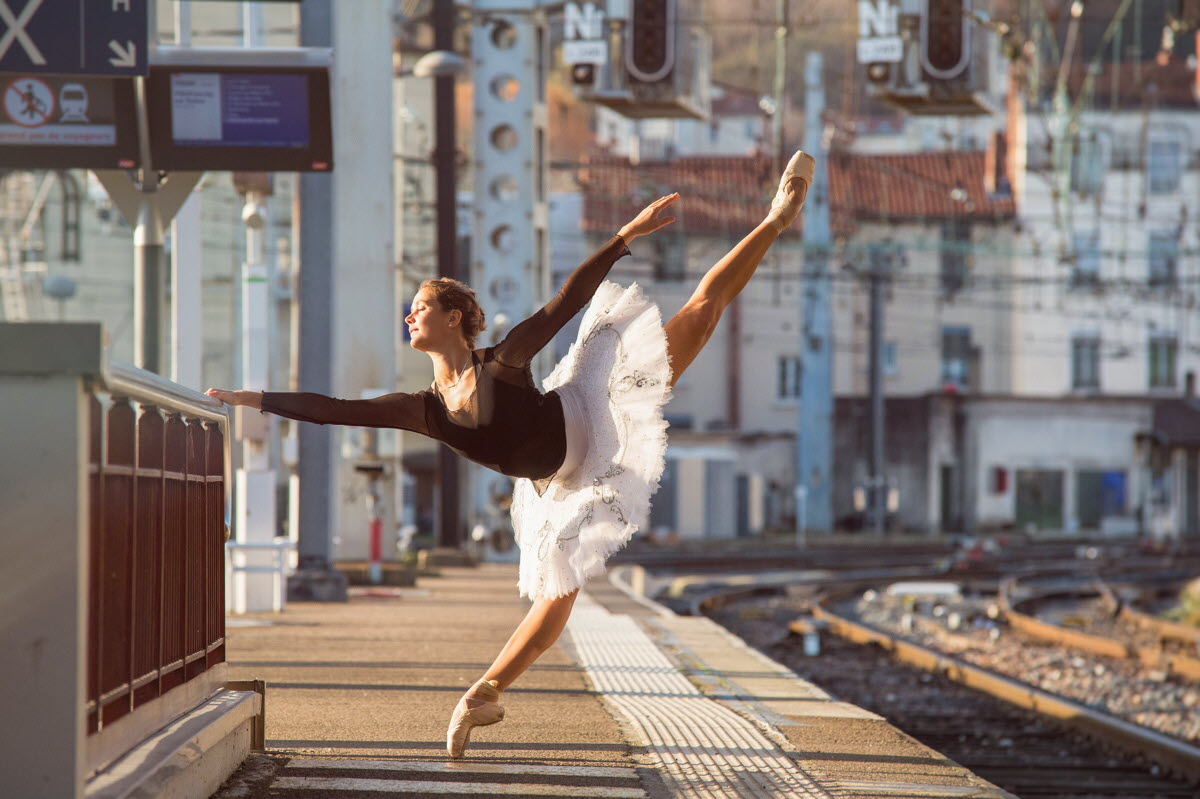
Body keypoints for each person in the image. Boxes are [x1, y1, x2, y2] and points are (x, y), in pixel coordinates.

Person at [206, 150, 815, 758]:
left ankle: (776, 218)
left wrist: (624, 237)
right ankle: (482, 694)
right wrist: (253, 398)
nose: (409, 314)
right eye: (410, 308)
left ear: (453, 317)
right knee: (559, 590)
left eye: (421, 306)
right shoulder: (423, 407)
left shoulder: (504, 361)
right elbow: (335, 409)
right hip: (556, 484)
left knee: (700, 316)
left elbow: (568, 299)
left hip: (592, 413)